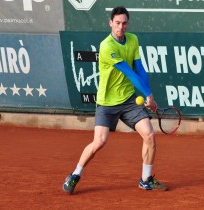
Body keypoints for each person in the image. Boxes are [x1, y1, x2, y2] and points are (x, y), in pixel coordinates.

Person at [63, 6, 167, 193]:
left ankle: (146, 179)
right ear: (110, 23)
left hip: (128, 100)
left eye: (124, 23)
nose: (121, 27)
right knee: (99, 142)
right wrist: (148, 95)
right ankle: (75, 174)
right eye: (117, 23)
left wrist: (148, 93)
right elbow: (128, 72)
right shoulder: (106, 46)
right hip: (107, 102)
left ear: (128, 24)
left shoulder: (133, 39)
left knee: (149, 135)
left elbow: (139, 69)